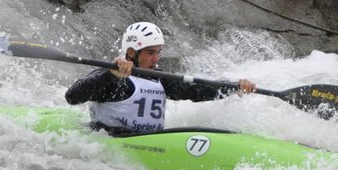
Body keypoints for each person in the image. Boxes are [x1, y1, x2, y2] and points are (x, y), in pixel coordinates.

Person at [64, 21, 256, 135]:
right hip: (109, 140)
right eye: (150, 52)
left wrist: (233, 87)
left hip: (150, 143)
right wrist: (109, 75)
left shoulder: (160, 78)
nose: (156, 58)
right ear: (132, 52)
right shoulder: (112, 75)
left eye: (158, 52)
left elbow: (196, 90)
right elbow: (73, 96)